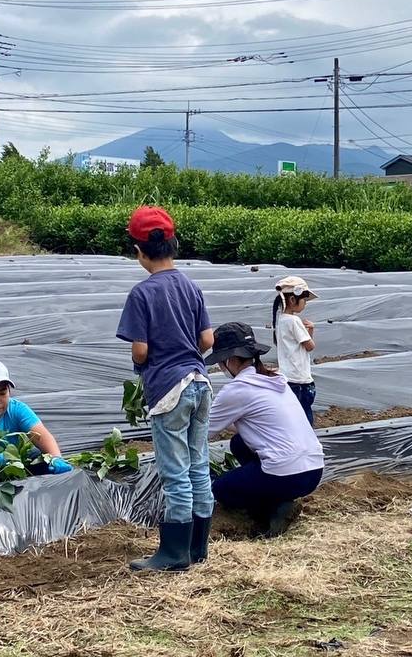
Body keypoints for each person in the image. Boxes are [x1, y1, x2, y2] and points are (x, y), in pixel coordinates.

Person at [115, 206, 216, 572]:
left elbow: (140, 349)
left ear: (138, 250)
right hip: (201, 383)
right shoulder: (191, 286)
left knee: (175, 472)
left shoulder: (142, 294)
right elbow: (208, 339)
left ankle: (173, 553)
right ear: (172, 244)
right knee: (198, 466)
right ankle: (197, 547)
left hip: (169, 389)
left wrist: (145, 367)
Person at [206, 322, 324, 538]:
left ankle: (274, 509)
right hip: (314, 470)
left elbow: (202, 433)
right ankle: (275, 496)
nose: (221, 368)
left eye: (221, 363)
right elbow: (253, 422)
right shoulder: (275, 379)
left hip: (286, 474)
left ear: (230, 360)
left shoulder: (237, 390)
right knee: (238, 443)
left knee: (221, 489)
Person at [0, 358, 73, 474]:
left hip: (15, 465)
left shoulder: (16, 410)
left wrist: (56, 458)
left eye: (2, 393)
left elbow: (42, 436)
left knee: (40, 459)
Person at [272, 276, 318, 425]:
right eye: (304, 300)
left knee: (291, 416)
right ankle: (308, 443)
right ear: (293, 300)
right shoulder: (294, 321)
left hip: (287, 376)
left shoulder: (281, 320)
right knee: (305, 415)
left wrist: (307, 332)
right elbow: (309, 346)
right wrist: (312, 329)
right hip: (300, 379)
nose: (305, 304)